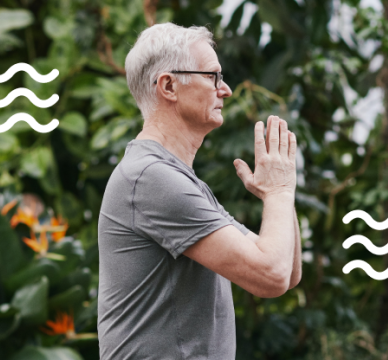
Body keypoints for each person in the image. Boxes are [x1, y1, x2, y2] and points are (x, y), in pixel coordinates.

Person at [97, 22, 302, 359]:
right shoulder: (151, 179)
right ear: (168, 86)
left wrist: (279, 193)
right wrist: (279, 191)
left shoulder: (176, 180)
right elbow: (272, 275)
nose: (226, 90)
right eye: (213, 77)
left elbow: (288, 270)